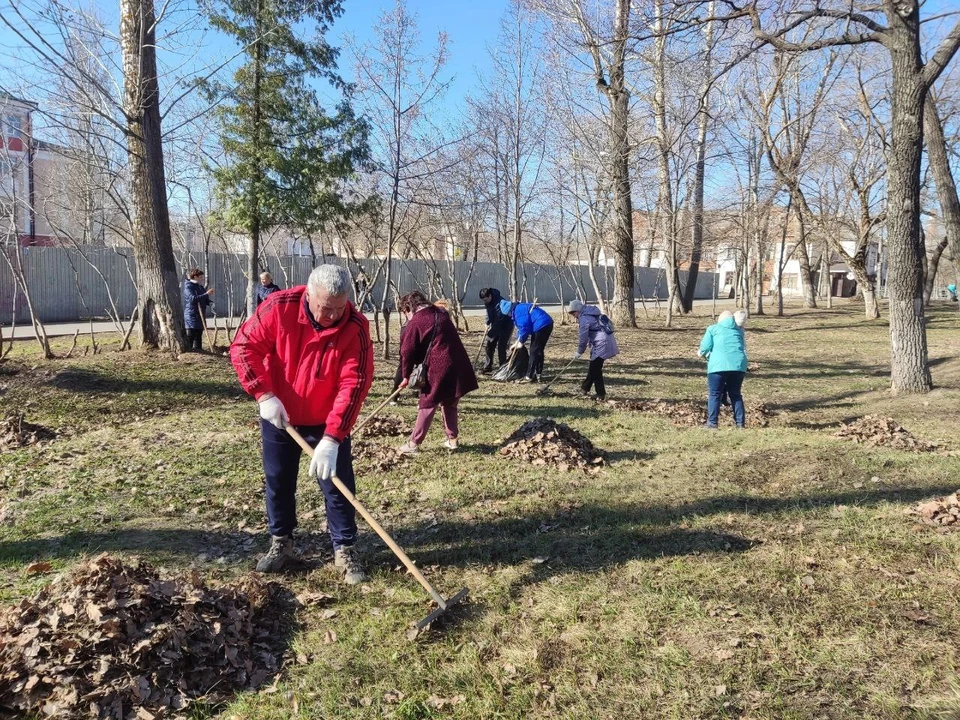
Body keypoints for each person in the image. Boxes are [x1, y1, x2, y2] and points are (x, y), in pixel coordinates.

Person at [230, 264, 374, 583]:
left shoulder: (355, 326)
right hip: (280, 416)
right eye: (325, 308)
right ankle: (281, 542)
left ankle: (345, 548)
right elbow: (244, 348)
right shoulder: (278, 308)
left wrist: (333, 438)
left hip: (326, 421)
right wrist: (264, 395)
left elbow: (355, 383)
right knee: (278, 480)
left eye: (340, 308)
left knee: (337, 486)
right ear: (308, 295)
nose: (333, 315)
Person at [395, 290, 478, 455]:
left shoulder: (416, 321)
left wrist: (405, 375)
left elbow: (407, 352)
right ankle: (452, 439)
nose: (406, 316)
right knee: (450, 401)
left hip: (439, 367)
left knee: (427, 403)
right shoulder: (440, 312)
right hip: (459, 363)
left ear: (408, 308)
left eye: (405, 312)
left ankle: (413, 444)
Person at [697, 309, 748, 429]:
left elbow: (705, 347)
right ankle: (740, 424)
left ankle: (712, 423)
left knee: (714, 394)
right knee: (735, 395)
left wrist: (701, 353)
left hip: (718, 366)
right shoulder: (739, 331)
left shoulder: (713, 329)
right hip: (739, 366)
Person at [566, 300, 619, 401]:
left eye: (573, 313)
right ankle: (584, 388)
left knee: (595, 369)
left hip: (602, 343)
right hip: (605, 340)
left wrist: (579, 351)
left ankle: (601, 394)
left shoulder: (584, 318)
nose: (573, 316)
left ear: (578, 310)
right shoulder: (591, 312)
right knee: (594, 366)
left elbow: (583, 338)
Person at [505, 299, 554, 383]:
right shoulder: (519, 308)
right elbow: (521, 328)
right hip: (547, 323)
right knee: (538, 350)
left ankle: (529, 376)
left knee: (534, 351)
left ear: (509, 311)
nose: (508, 316)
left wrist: (520, 342)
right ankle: (538, 373)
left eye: (507, 314)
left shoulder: (517, 312)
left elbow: (524, 327)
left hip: (540, 325)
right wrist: (518, 340)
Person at [479, 288, 513, 373]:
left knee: (501, 347)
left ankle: (502, 369)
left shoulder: (500, 302)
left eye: (486, 300)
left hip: (506, 325)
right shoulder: (488, 302)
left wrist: (490, 334)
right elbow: (488, 312)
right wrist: (487, 322)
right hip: (496, 324)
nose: (485, 302)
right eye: (483, 301)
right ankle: (488, 367)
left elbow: (499, 321)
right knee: (489, 345)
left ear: (490, 296)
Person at [182, 268, 214, 352]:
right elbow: (193, 299)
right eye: (200, 277)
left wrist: (210, 302)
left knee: (199, 333)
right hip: (192, 314)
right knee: (191, 334)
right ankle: (188, 351)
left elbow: (204, 298)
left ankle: (198, 350)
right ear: (195, 277)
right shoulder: (189, 287)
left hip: (200, 314)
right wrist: (206, 293)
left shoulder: (200, 287)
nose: (202, 279)